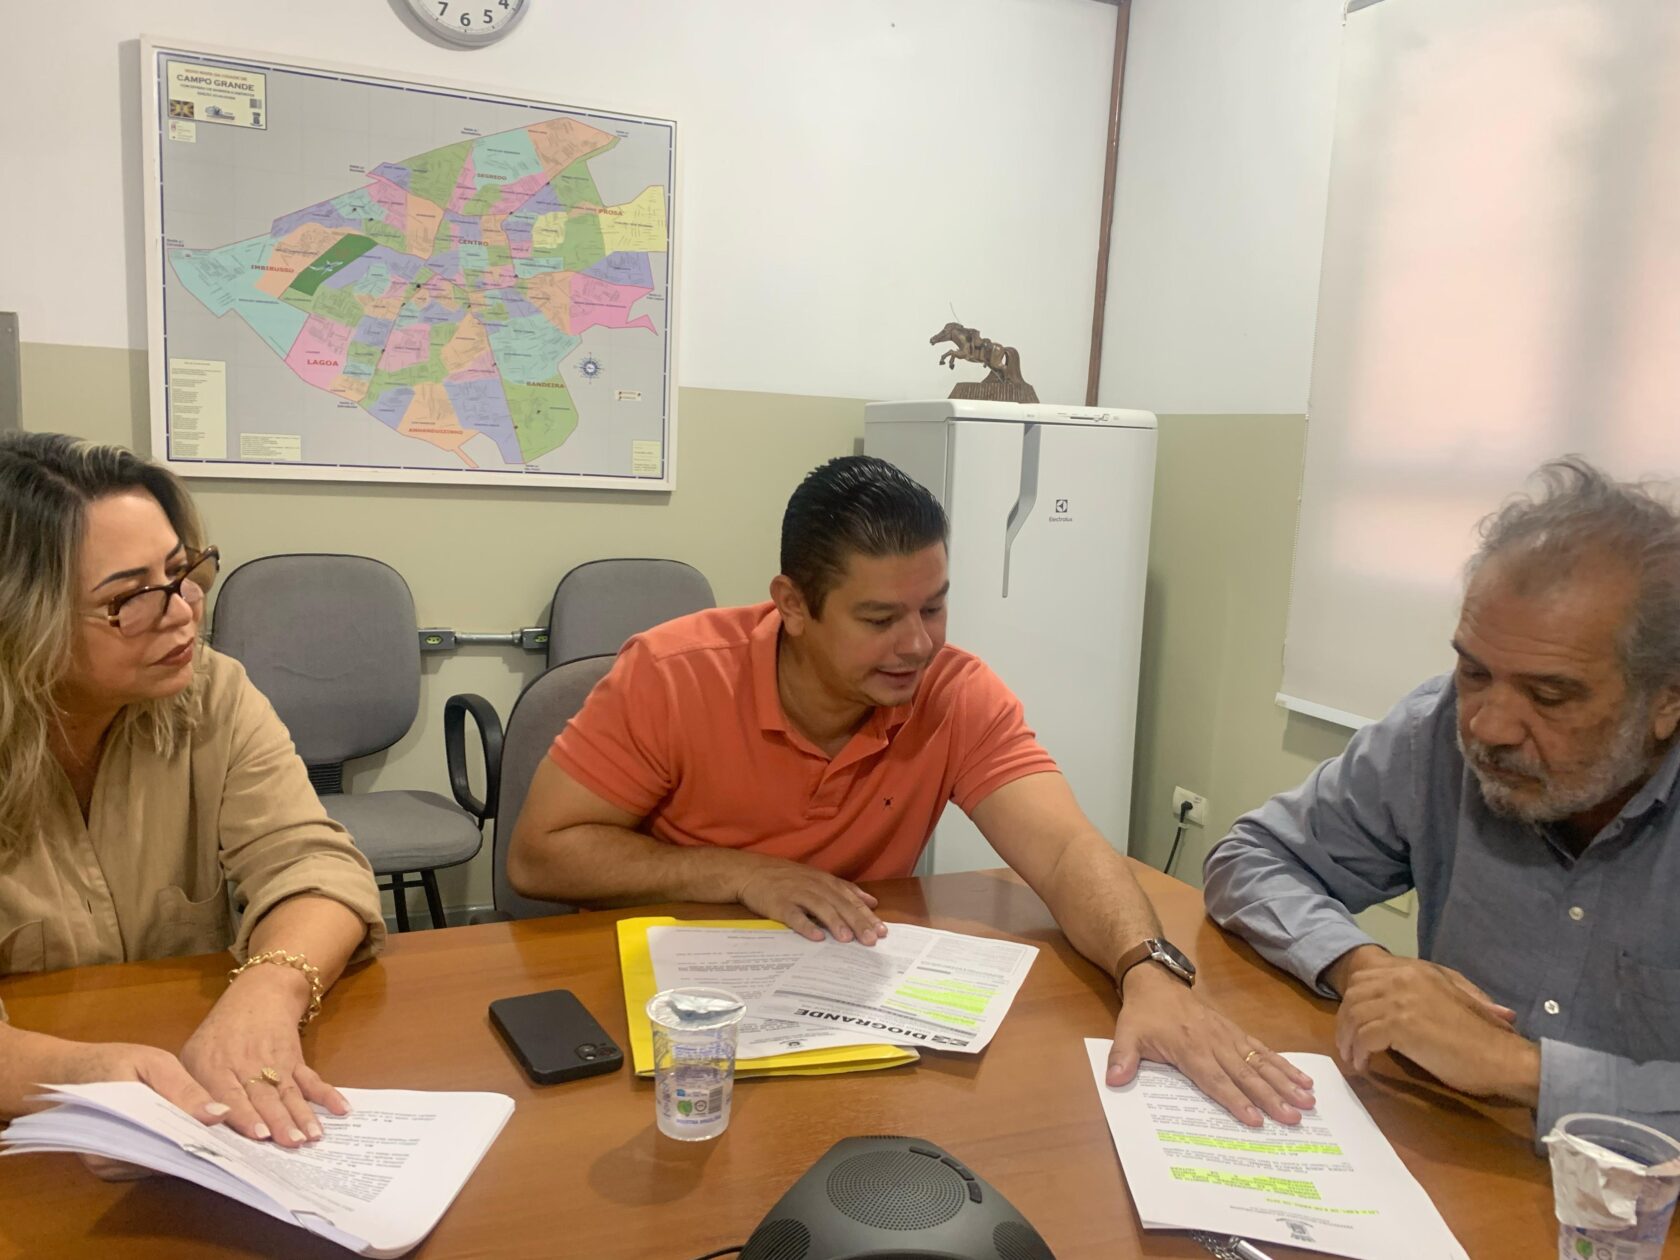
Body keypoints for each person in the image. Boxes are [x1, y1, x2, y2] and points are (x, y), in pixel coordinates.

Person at [511, 455, 1316, 1127]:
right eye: (879, 619)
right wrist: (742, 873)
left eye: (934, 606)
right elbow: (541, 857)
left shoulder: (954, 693)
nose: (919, 644)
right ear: (792, 605)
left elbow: (1067, 849)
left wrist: (1148, 970)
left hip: (841, 1010)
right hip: (674, 1026)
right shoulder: (673, 674)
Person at [1204, 457, 1680, 1144]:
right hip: (1453, 1152)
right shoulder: (1435, 732)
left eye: (1549, 695)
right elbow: (1252, 858)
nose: (1488, 726)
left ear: (1667, 701)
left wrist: (1521, 1071)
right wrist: (1367, 970)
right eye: (1474, 671)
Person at [0, 433, 385, 1152]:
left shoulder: (210, 691)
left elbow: (316, 867)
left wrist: (267, 991)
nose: (182, 611)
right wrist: (72, 1074)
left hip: (192, 1106)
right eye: (129, 598)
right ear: (20, 620)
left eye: (180, 572)